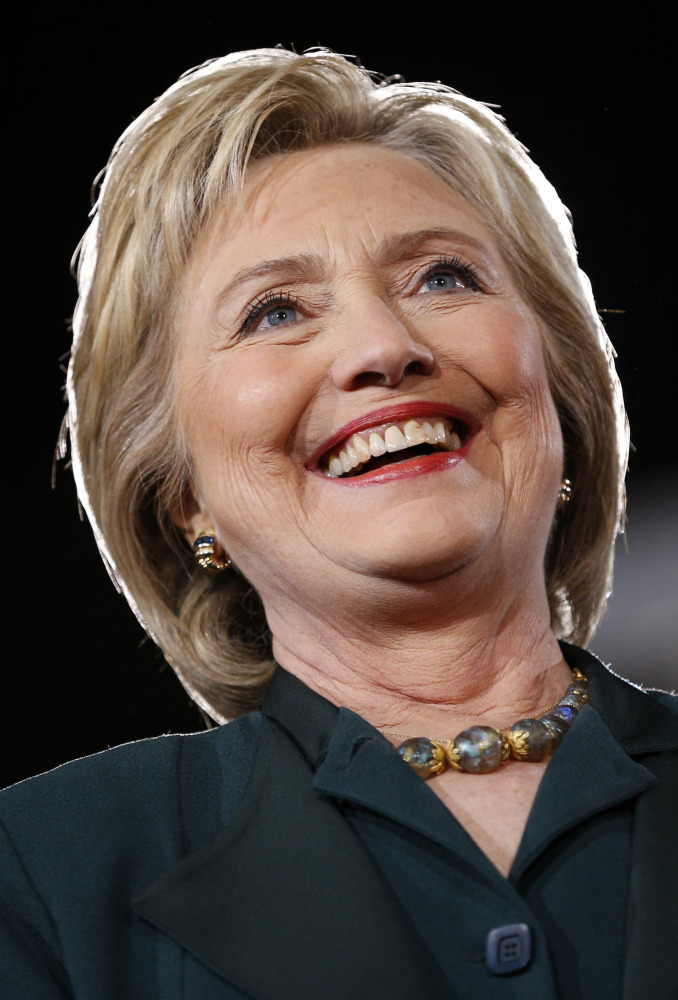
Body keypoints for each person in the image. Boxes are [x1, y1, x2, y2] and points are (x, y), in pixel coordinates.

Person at [1, 46, 676, 1000]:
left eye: (442, 278)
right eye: (275, 311)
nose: (383, 348)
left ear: (558, 391)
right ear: (182, 491)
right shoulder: (38, 876)